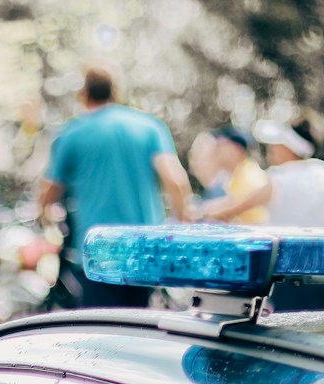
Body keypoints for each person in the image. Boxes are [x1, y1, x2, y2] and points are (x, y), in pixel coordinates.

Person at [38, 68, 192, 309]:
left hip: (97, 252)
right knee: (141, 324)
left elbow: (50, 191)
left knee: (102, 330)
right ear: (115, 92)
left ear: (84, 94)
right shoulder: (151, 127)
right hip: (146, 250)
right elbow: (176, 180)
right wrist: (183, 223)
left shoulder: (71, 134)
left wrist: (45, 217)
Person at [247, 119, 324, 312]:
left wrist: (201, 212)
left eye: (277, 145)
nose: (272, 150)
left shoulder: (277, 177)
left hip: (288, 274)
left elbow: (232, 208)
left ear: (290, 147)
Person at [200, 126, 270, 224]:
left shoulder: (249, 174)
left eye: (221, 145)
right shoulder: (239, 173)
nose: (216, 150)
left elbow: (244, 202)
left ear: (237, 149)